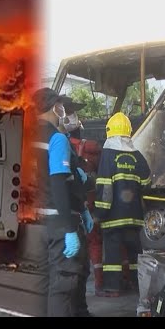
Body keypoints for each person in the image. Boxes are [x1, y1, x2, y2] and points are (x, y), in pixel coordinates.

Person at [32, 88, 91, 317]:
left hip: (36, 222)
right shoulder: (57, 138)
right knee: (63, 287)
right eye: (61, 106)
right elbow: (58, 182)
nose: (63, 111)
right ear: (54, 106)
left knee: (45, 285)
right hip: (58, 220)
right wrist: (69, 228)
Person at [94, 112, 151, 300]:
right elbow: (147, 179)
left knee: (112, 255)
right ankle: (137, 283)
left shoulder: (108, 154)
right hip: (134, 215)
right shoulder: (136, 155)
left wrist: (100, 212)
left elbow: (104, 185)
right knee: (135, 254)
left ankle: (113, 287)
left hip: (113, 216)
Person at [59, 95, 95, 316]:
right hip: (64, 216)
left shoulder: (72, 144)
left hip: (77, 211)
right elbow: (60, 183)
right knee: (69, 273)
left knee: (82, 269)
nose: (74, 117)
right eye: (70, 112)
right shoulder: (59, 142)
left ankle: (80, 310)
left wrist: (83, 210)